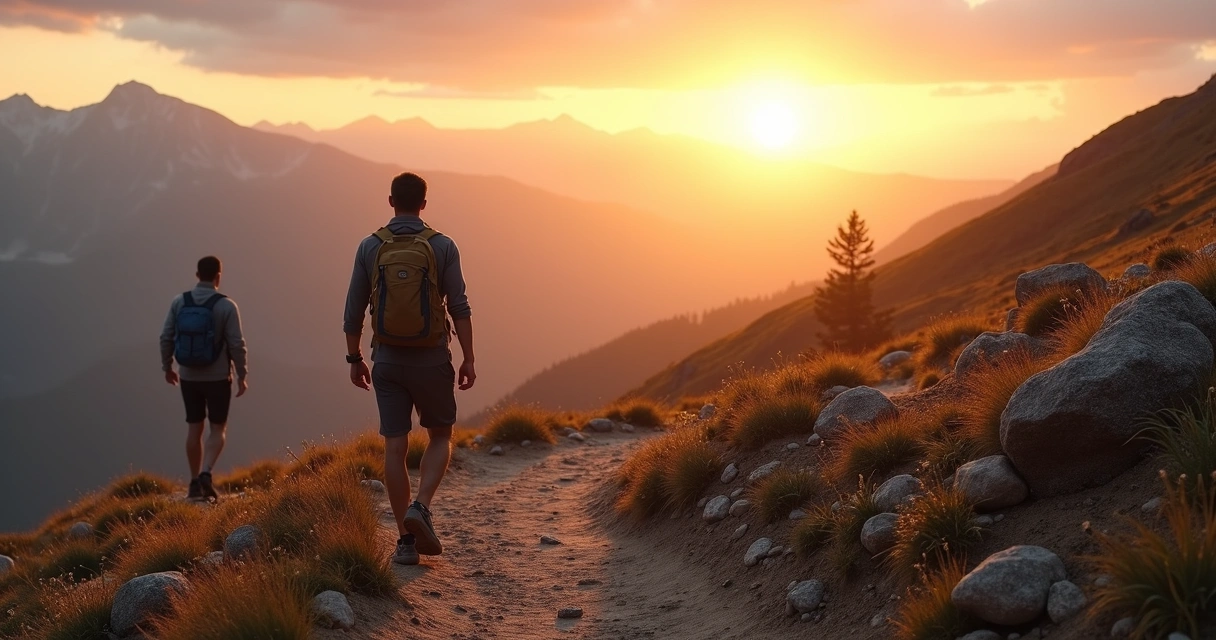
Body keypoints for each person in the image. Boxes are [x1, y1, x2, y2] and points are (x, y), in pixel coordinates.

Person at [343, 172, 475, 566]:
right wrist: (469, 357)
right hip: (432, 358)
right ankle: (422, 505)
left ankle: (404, 543)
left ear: (390, 201)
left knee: (395, 447)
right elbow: (460, 307)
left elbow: (353, 313)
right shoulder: (442, 246)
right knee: (439, 436)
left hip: (386, 361)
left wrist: (354, 359)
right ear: (424, 204)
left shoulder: (370, 246)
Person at [160, 256, 249, 502]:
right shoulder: (227, 306)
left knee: (194, 427)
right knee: (217, 428)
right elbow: (237, 344)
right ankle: (206, 473)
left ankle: (192, 483)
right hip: (219, 377)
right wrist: (242, 375)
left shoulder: (179, 302)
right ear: (218, 277)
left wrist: (168, 367)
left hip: (188, 375)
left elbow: (166, 336)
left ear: (197, 274)